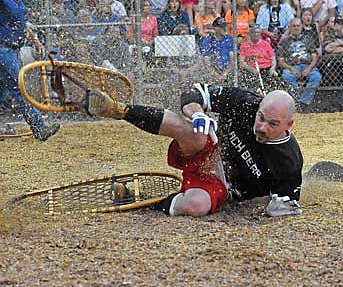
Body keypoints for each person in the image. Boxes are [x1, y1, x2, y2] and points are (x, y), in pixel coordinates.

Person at [84, 85, 303, 217]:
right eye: (261, 117)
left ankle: (144, 199)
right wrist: (197, 112)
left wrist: (276, 206)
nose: (262, 127)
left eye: (272, 124)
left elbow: (283, 206)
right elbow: (194, 92)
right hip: (207, 151)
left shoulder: (289, 163)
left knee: (196, 205)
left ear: (289, 125)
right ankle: (119, 109)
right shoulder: (246, 104)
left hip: (220, 187)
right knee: (195, 130)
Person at [0, 0, 60, 141]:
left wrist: (37, 42)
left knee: (2, 92)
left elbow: (23, 24)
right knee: (19, 90)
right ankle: (39, 127)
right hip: (4, 50)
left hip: (12, 50)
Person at [277, 18, 322, 107]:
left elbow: (315, 57)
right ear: (289, 28)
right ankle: (295, 99)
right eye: (294, 26)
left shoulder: (308, 39)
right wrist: (291, 69)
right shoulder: (284, 41)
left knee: (316, 77)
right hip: (291, 66)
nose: (296, 28)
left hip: (307, 65)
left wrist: (309, 68)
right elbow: (281, 61)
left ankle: (304, 102)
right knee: (286, 76)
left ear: (301, 27)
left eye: (298, 26)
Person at [238, 25, 281, 92]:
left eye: (257, 32)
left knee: (273, 79)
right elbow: (241, 61)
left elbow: (273, 59)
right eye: (253, 32)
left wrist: (272, 68)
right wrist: (251, 69)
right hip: (251, 69)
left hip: (267, 68)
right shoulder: (244, 45)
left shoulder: (266, 44)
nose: (256, 34)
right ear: (249, 34)